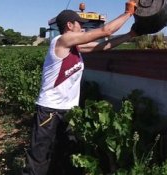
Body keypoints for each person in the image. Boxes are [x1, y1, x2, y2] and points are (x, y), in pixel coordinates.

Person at [22, 1, 141, 174]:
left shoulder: (74, 47)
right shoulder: (62, 40)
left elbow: (104, 45)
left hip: (68, 110)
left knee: (66, 153)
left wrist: (131, 34)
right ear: (69, 25)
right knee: (39, 156)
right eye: (80, 25)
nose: (83, 29)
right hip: (50, 110)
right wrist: (128, 13)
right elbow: (105, 31)